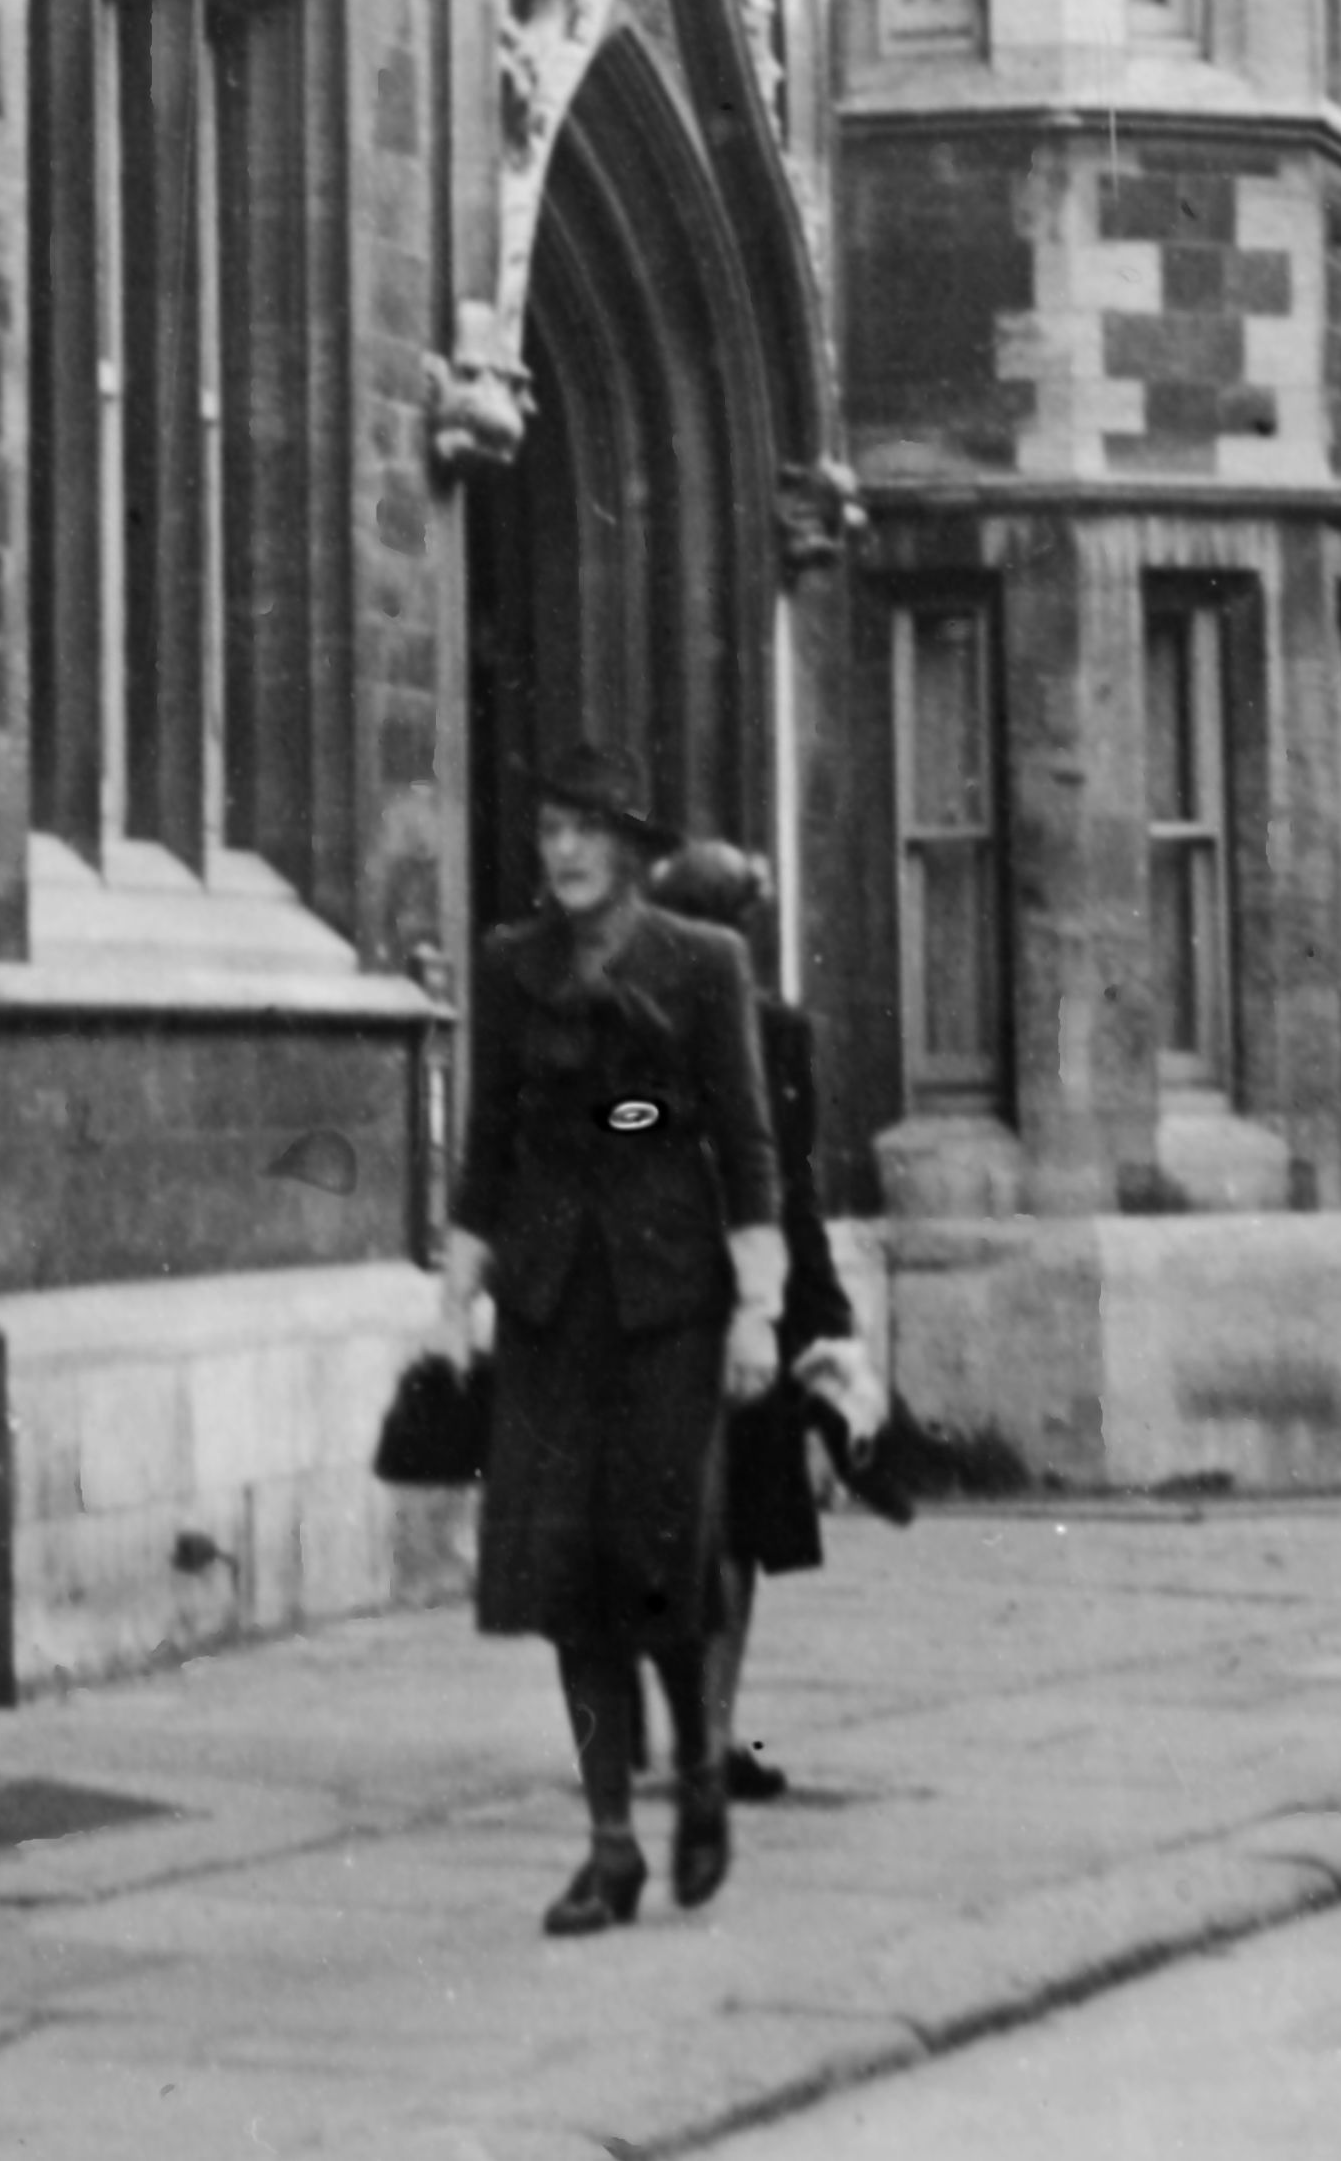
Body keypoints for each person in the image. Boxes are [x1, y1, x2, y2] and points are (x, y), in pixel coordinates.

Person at [442, 741, 785, 1933]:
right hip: (548, 1308)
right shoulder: (508, 964)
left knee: (659, 1572)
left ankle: (698, 1765)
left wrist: (756, 1307)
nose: (567, 851)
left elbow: (734, 1140)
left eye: (589, 829)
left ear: (637, 850)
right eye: (550, 830)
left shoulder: (703, 964)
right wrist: (458, 1284)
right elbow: (489, 1137)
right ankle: (609, 1845)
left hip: (668, 1308)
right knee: (565, 1587)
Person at [647, 835, 884, 1804]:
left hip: (756, 1314)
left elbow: (792, 1189)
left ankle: (710, 1732)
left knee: (736, 1527)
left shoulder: (778, 1037)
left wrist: (828, 1328)